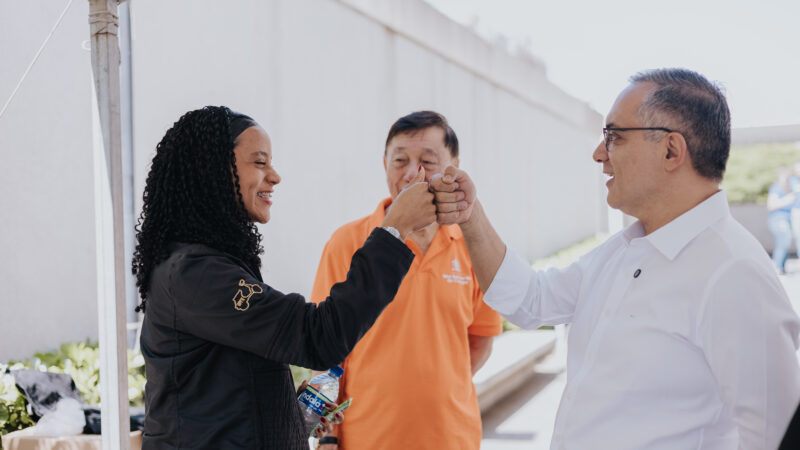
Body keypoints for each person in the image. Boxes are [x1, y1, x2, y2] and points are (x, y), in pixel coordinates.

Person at [431, 68, 800, 449]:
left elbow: (776, 435)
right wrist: (469, 215)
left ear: (671, 150)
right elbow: (531, 300)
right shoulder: (622, 249)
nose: (598, 154)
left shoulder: (735, 273)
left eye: (614, 137)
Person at [132, 106, 436, 449]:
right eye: (260, 162)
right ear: (211, 169)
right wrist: (394, 231)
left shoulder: (207, 265)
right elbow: (319, 336)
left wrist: (289, 412)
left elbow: (221, 394)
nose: (274, 176)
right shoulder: (194, 273)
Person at [309, 111, 502, 449]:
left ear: (454, 165)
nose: (413, 173)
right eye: (400, 160)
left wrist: (438, 390)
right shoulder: (347, 243)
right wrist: (327, 439)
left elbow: (482, 337)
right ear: (384, 163)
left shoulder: (475, 247)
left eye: (428, 160)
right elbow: (324, 351)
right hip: (367, 438)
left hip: (453, 438)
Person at [767, 167, 795, 274]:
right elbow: (771, 205)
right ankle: (777, 266)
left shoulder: (789, 188)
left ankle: (781, 267)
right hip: (778, 220)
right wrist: (787, 200)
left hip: (786, 219)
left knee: (785, 243)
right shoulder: (777, 187)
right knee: (783, 242)